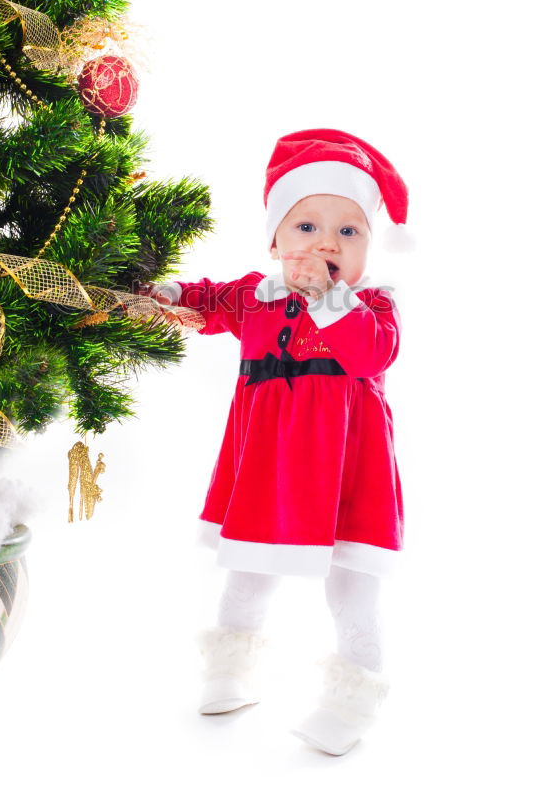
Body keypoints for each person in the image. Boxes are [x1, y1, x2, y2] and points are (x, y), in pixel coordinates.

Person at [138, 128, 412, 756]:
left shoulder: (370, 306)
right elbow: (204, 302)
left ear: (369, 245)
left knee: (351, 589)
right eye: (307, 227)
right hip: (270, 470)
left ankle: (352, 700)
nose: (327, 243)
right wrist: (166, 296)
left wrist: (330, 300)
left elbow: (375, 352)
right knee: (248, 574)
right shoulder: (256, 298)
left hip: (346, 473)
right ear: (275, 240)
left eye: (349, 231)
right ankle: (230, 669)